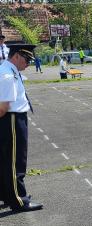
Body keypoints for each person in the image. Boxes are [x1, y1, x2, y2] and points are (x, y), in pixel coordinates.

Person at [0, 44, 43, 212]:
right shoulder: (6, 74)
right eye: (26, 59)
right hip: (11, 120)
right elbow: (3, 107)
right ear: (16, 56)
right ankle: (19, 201)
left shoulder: (10, 70)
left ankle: (7, 195)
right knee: (15, 162)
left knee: (6, 161)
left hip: (14, 118)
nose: (28, 63)